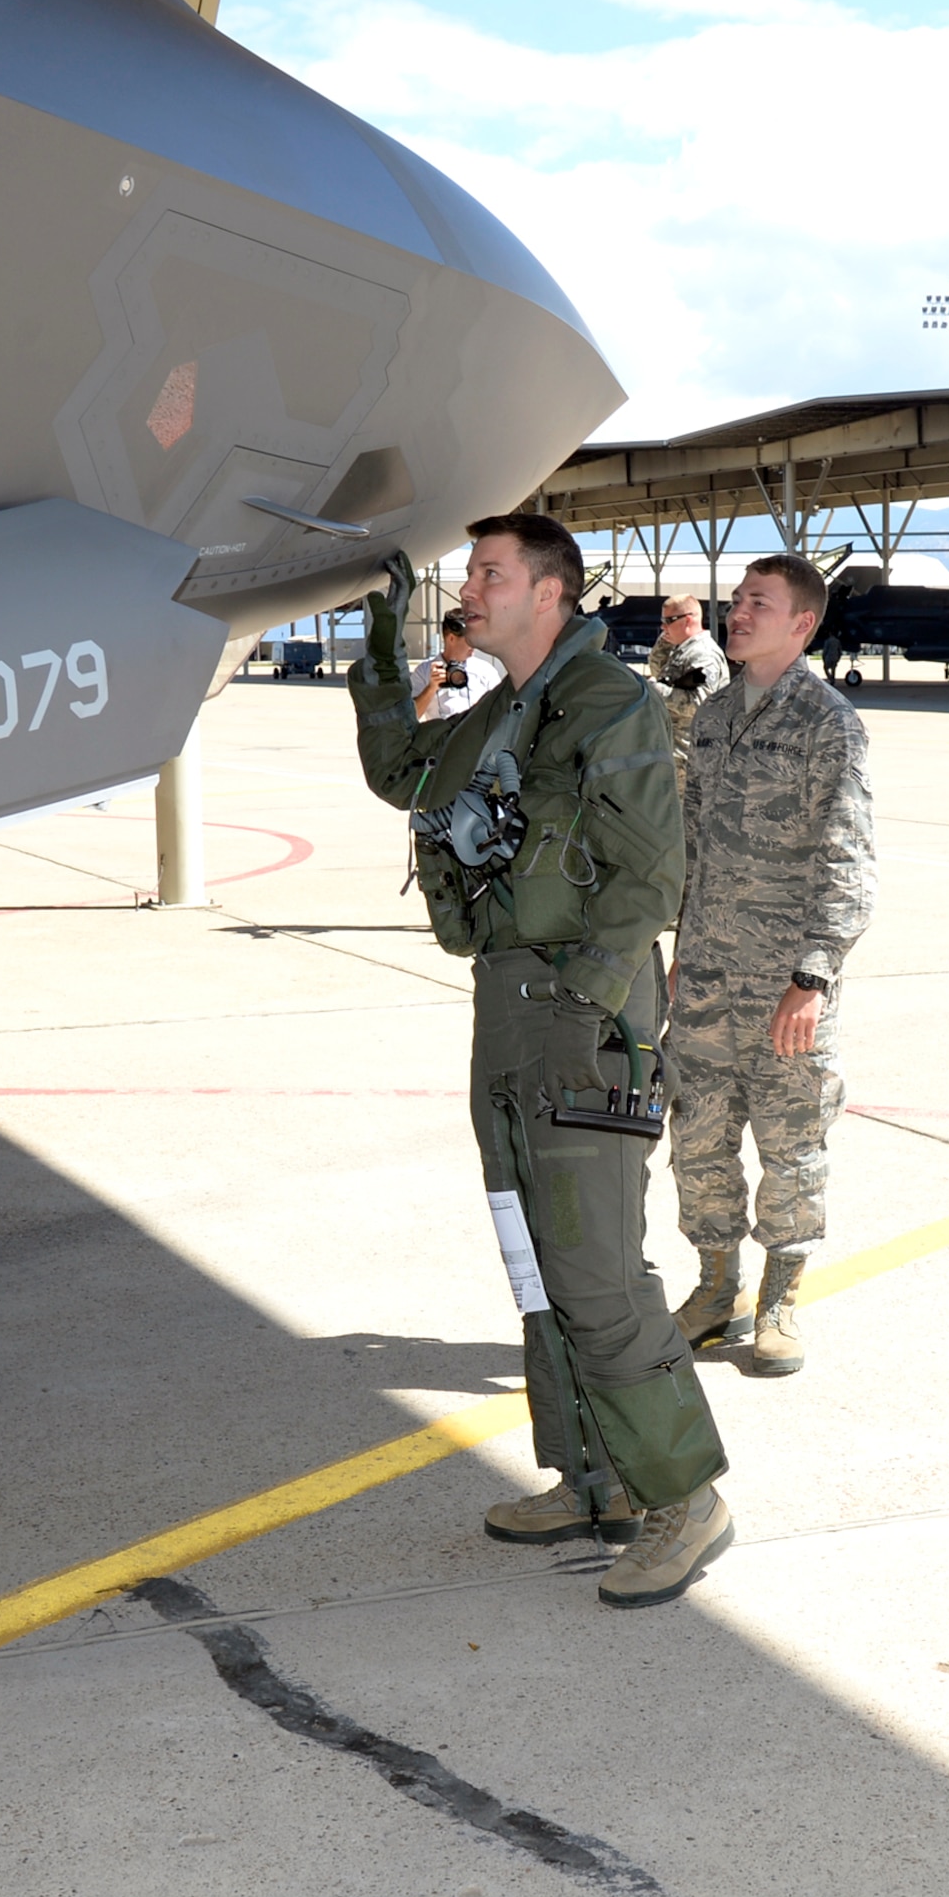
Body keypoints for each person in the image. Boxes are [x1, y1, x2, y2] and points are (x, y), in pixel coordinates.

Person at [348, 517, 732, 1608]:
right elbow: (398, 773)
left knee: (596, 1267)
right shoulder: (501, 713)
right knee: (536, 1258)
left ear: (550, 593)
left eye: (489, 571)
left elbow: (654, 874)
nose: (469, 583)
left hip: (579, 1004)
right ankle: (595, 1475)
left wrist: (589, 1003)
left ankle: (683, 1495)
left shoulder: (607, 701)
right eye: (470, 569)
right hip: (506, 1001)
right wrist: (381, 658)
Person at [667, 553, 877, 1375]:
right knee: (699, 1138)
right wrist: (682, 948)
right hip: (708, 973)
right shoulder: (713, 716)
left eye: (759, 602)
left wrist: (813, 977)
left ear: (801, 623)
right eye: (735, 600)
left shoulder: (829, 723)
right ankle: (715, 1287)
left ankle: (780, 1298)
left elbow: (848, 860)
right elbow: (691, 842)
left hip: (783, 983)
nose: (737, 612)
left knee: (790, 1147)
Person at [645, 595, 729, 794]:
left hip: (691, 756)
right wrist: (665, 640)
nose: (663, 627)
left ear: (688, 620)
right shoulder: (684, 650)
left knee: (686, 819)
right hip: (677, 751)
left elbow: (699, 703)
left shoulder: (703, 654)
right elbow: (658, 669)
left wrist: (655, 690)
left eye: (668, 621)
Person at [410, 610, 501, 721]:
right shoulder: (424, 671)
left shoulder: (485, 671)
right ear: (451, 638)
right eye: (469, 639)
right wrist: (431, 688)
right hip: (442, 737)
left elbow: (501, 711)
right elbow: (411, 718)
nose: (474, 644)